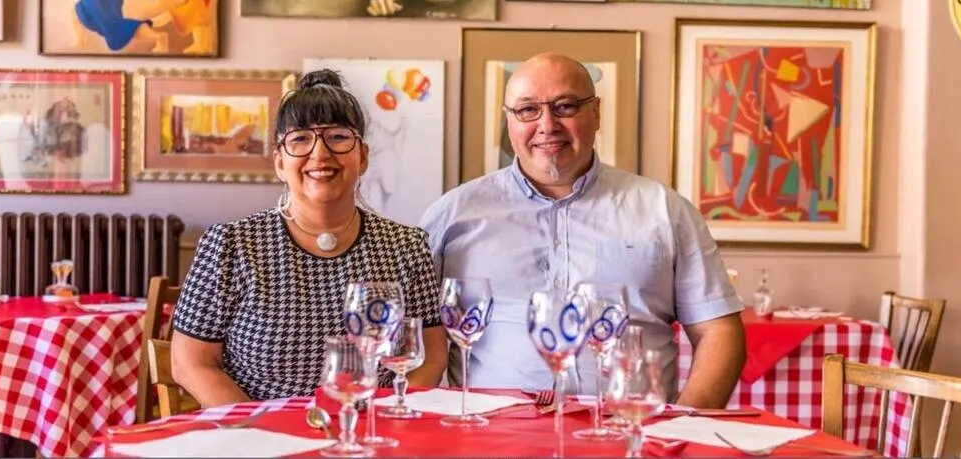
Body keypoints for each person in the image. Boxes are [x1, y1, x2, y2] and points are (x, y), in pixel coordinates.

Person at [418, 53, 745, 409]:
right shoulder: (453, 214)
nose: (547, 125)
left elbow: (718, 332)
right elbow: (411, 335)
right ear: (509, 120)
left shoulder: (664, 210)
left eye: (565, 106)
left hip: (629, 428)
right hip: (489, 430)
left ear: (596, 112)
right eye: (527, 110)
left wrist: (684, 423)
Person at [170, 69, 448, 407]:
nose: (319, 153)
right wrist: (258, 427)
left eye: (338, 137)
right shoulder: (231, 246)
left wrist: (388, 417)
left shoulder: (407, 248)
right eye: (300, 139)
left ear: (362, 157)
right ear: (279, 162)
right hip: (256, 431)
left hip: (372, 428)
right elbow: (190, 363)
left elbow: (430, 356)